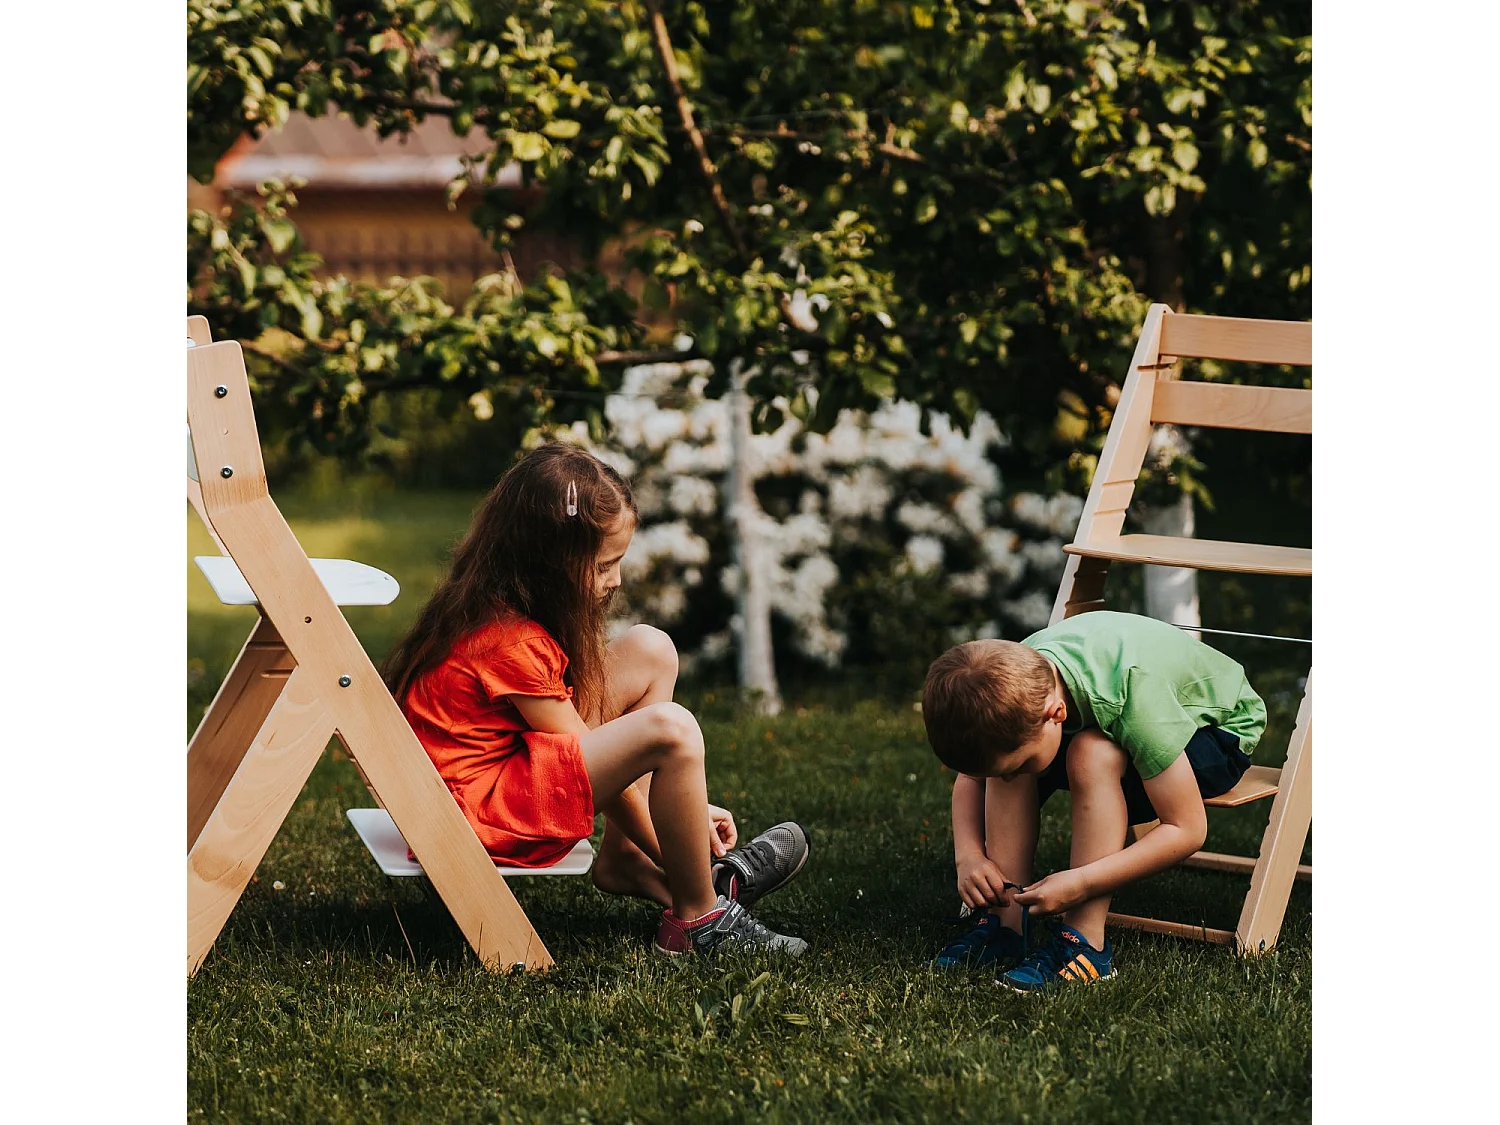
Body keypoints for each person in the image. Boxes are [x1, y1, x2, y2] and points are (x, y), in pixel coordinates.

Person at [383, 442, 810, 957]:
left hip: (504, 773)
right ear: (549, 562)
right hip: (477, 813)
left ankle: (631, 861)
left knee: (651, 649)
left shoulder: (495, 604)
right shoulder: (506, 641)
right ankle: (701, 914)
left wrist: (684, 819)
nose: (617, 579)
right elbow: (598, 775)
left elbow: (590, 758)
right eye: (605, 565)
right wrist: (689, 829)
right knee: (669, 731)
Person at [920, 610, 1266, 992]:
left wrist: (1081, 883)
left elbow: (1186, 829)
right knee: (1017, 768)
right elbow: (973, 777)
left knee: (1090, 753)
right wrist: (968, 856)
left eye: (1013, 766)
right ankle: (1005, 922)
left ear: (1057, 714)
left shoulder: (1135, 697)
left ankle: (1085, 943)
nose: (1000, 779)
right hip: (1121, 711)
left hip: (1216, 729)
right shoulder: (1016, 686)